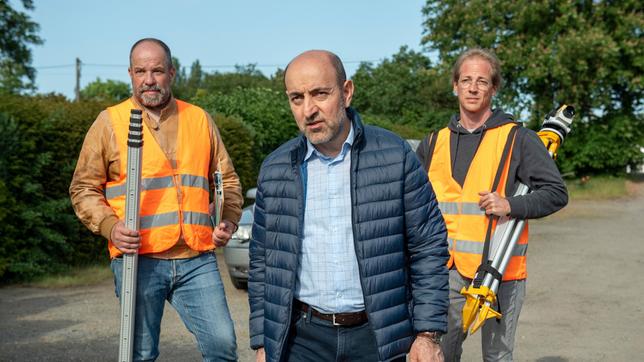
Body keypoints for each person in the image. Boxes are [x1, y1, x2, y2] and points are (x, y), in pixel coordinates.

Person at [248, 50, 450, 362]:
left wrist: (427, 334)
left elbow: (428, 246)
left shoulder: (394, 155)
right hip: (302, 341)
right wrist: (263, 343)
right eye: (296, 98)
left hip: (379, 338)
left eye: (320, 94)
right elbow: (263, 261)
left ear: (346, 92)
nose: (309, 109)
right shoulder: (275, 169)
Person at [69, 38, 242, 361]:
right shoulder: (109, 122)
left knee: (222, 345)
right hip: (138, 260)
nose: (149, 79)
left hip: (196, 258)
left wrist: (227, 218)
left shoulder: (199, 119)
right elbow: (83, 188)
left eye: (157, 71)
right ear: (131, 74)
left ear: (172, 73)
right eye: (141, 71)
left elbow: (226, 180)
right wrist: (109, 226)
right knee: (141, 353)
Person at [415, 48, 568, 361]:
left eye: (482, 81)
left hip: (501, 271)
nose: (473, 88)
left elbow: (556, 192)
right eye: (466, 80)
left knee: (497, 356)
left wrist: (511, 204)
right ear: (455, 85)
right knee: (440, 353)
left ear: (493, 88)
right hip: (445, 273)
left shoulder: (518, 138)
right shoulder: (433, 142)